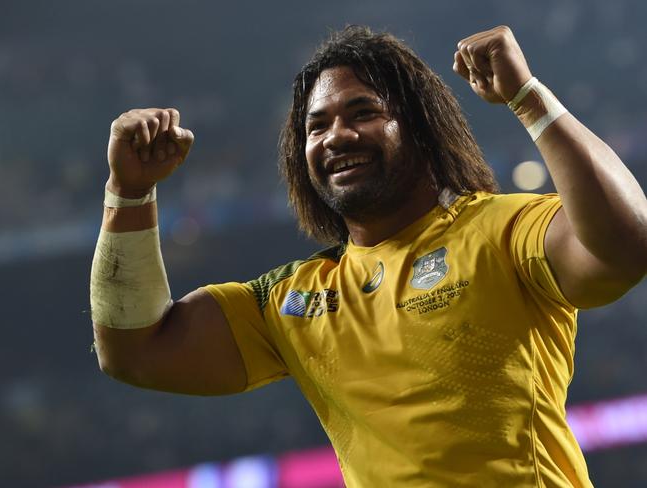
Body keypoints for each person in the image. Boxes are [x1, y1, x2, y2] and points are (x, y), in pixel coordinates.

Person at [90, 25, 647, 487]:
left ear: (421, 129)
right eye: (317, 125)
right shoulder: (293, 301)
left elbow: (627, 242)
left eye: (362, 112)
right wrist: (130, 193)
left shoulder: (499, 229)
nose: (337, 135)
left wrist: (529, 98)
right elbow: (135, 351)